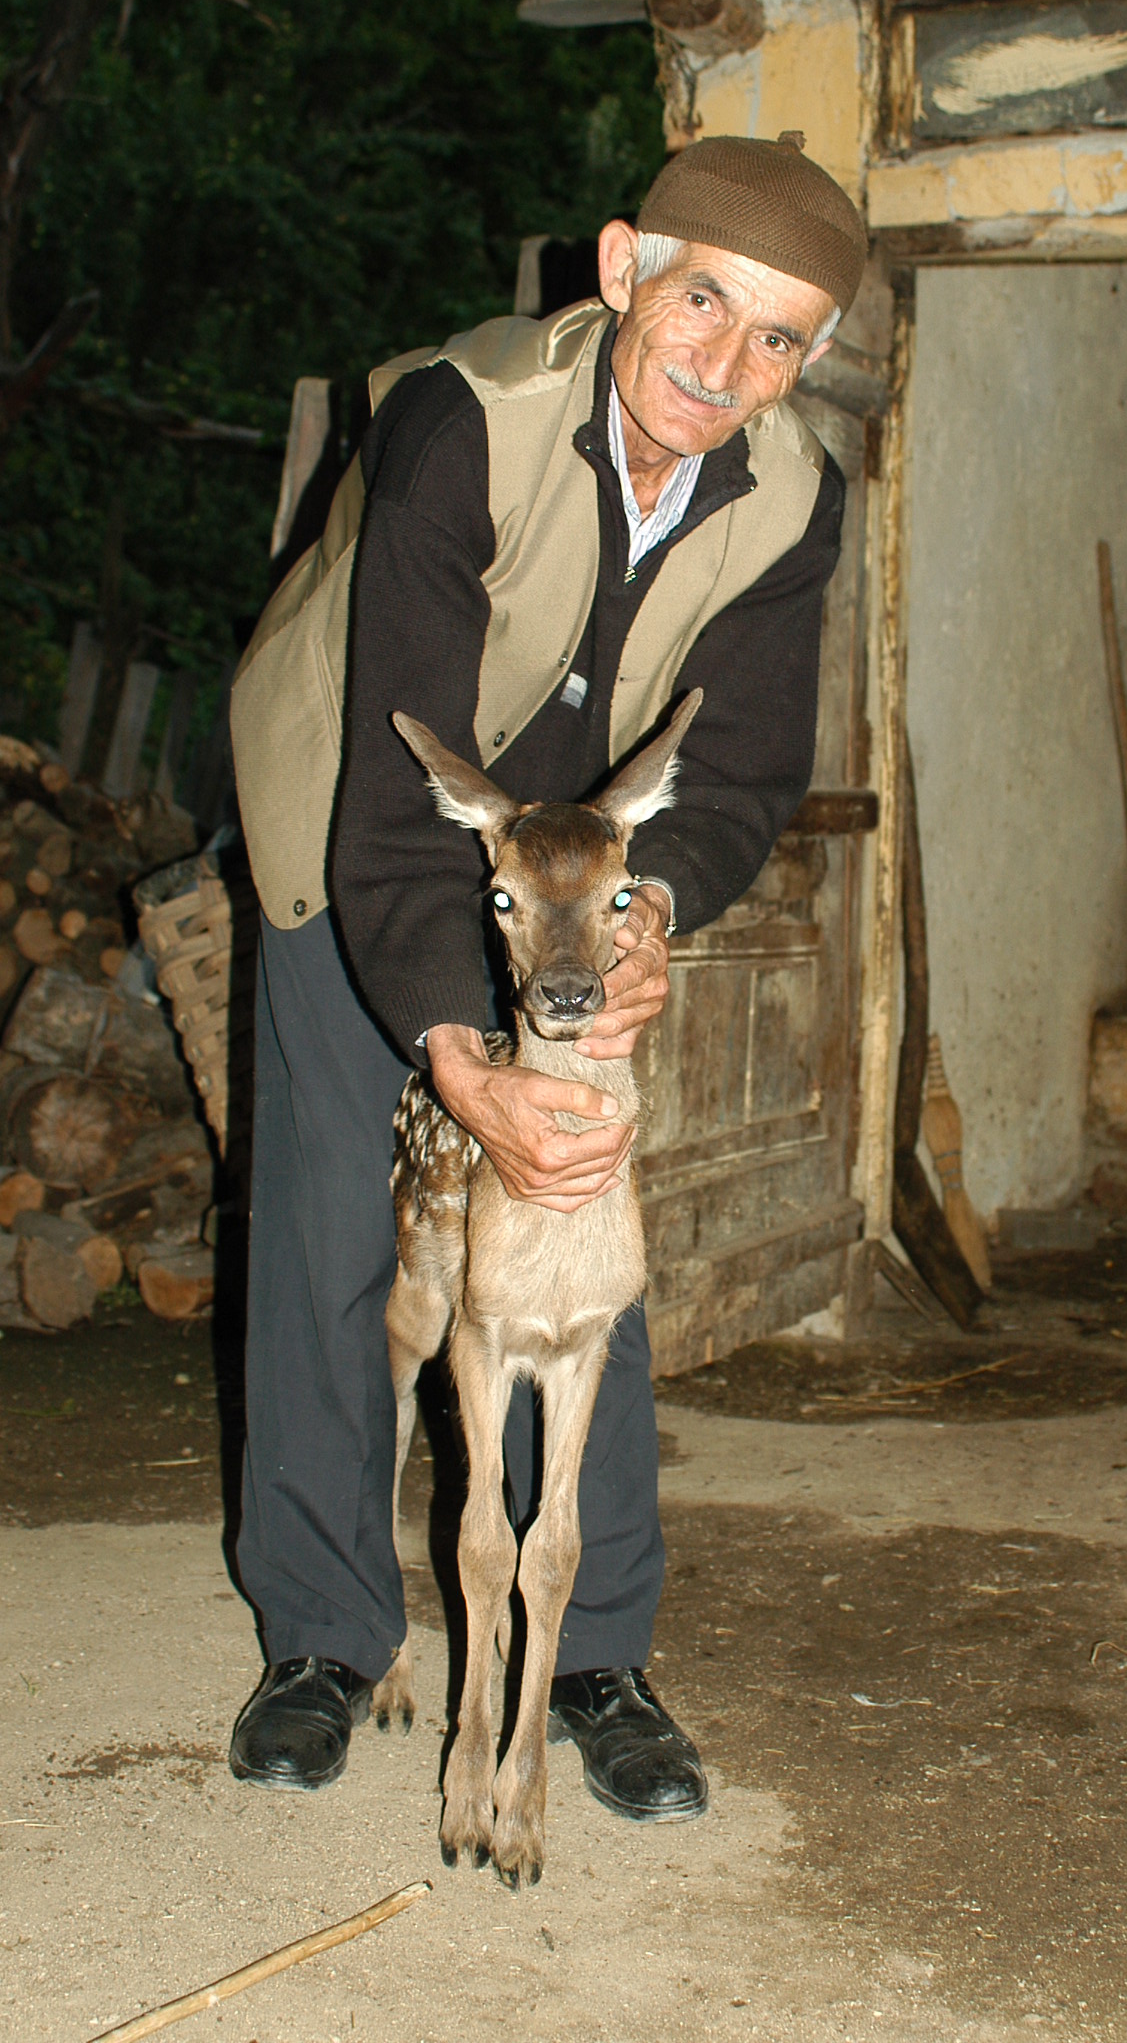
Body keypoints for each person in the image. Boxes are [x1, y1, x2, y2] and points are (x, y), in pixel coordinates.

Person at [224, 130, 867, 1816]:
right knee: (325, 1227)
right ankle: (324, 1633)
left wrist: (643, 921)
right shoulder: (464, 419)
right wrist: (456, 1051)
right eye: (706, 303)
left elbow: (735, 778)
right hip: (360, 806)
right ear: (620, 270)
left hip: (580, 871)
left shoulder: (795, 497)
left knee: (582, 1211)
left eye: (782, 338)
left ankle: (594, 1657)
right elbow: (389, 790)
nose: (730, 365)